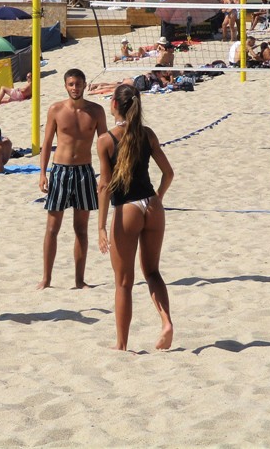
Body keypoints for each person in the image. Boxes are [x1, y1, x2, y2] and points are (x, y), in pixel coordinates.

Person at [96, 84, 174, 351]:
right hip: (152, 205)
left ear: (115, 105)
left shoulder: (106, 140)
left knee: (123, 283)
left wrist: (101, 227)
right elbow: (169, 174)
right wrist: (158, 199)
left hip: (127, 209)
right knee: (152, 272)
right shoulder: (147, 134)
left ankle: (121, 344)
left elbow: (104, 186)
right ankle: (166, 322)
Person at [38, 69, 107, 290]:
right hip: (60, 171)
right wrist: (42, 174)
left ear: (85, 85)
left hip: (84, 172)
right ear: (65, 86)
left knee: (81, 229)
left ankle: (79, 280)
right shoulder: (56, 110)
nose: (75, 88)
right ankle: (46, 279)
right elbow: (47, 143)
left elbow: (105, 144)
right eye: (71, 84)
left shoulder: (96, 111)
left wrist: (105, 175)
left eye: (78, 84)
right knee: (52, 228)